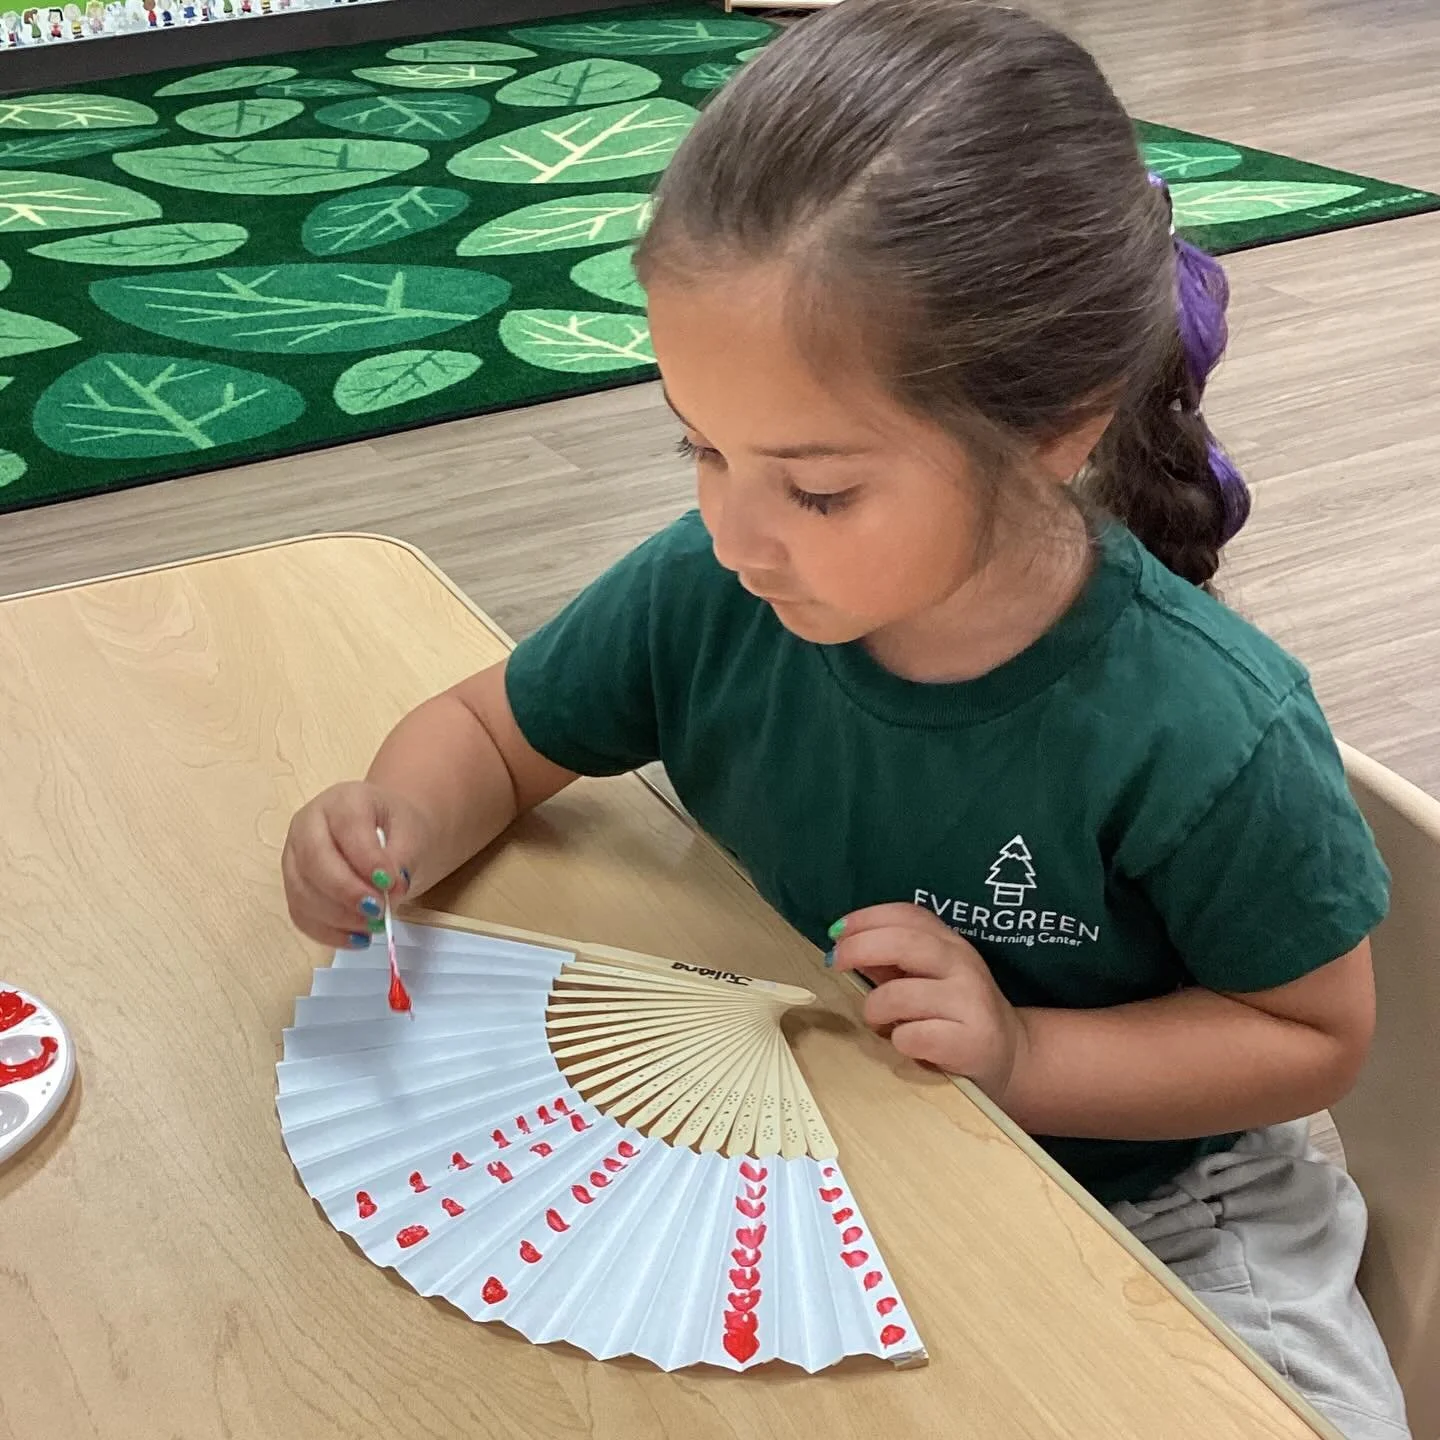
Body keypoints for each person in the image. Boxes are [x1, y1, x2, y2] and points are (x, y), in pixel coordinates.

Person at [280, 2, 1409, 1432]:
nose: (737, 530)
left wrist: (1025, 1057)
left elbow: (1310, 1037)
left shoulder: (1204, 726)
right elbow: (496, 734)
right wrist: (398, 821)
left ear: (1059, 425)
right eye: (698, 444)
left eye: (816, 488)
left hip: (1166, 1198)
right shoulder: (709, 591)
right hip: (845, 1135)